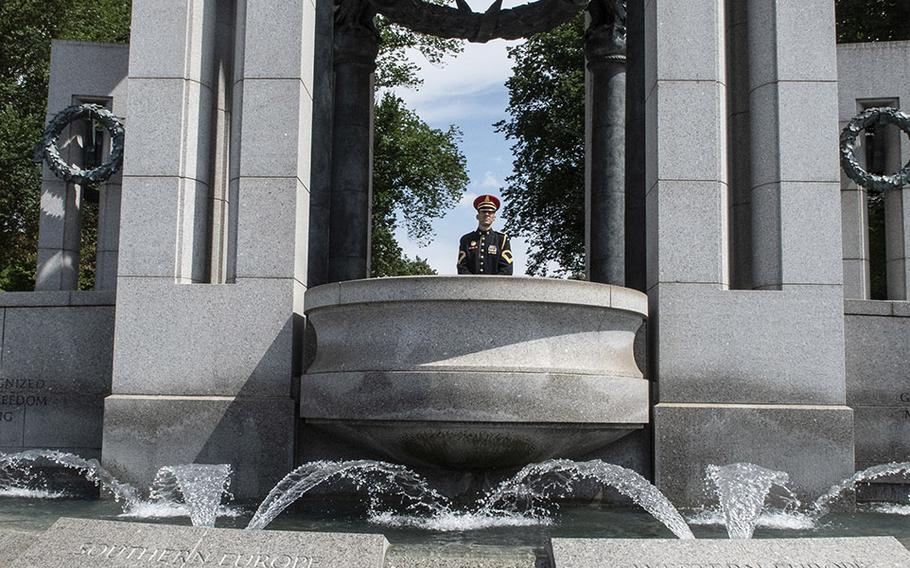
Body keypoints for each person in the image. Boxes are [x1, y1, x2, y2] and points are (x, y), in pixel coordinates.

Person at [457, 194, 513, 275]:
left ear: (494, 217)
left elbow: (507, 269)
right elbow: (462, 267)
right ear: (477, 216)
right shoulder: (466, 240)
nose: (487, 214)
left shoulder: (502, 240)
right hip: (471, 286)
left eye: (490, 212)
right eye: (483, 212)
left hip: (495, 286)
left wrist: (492, 285)